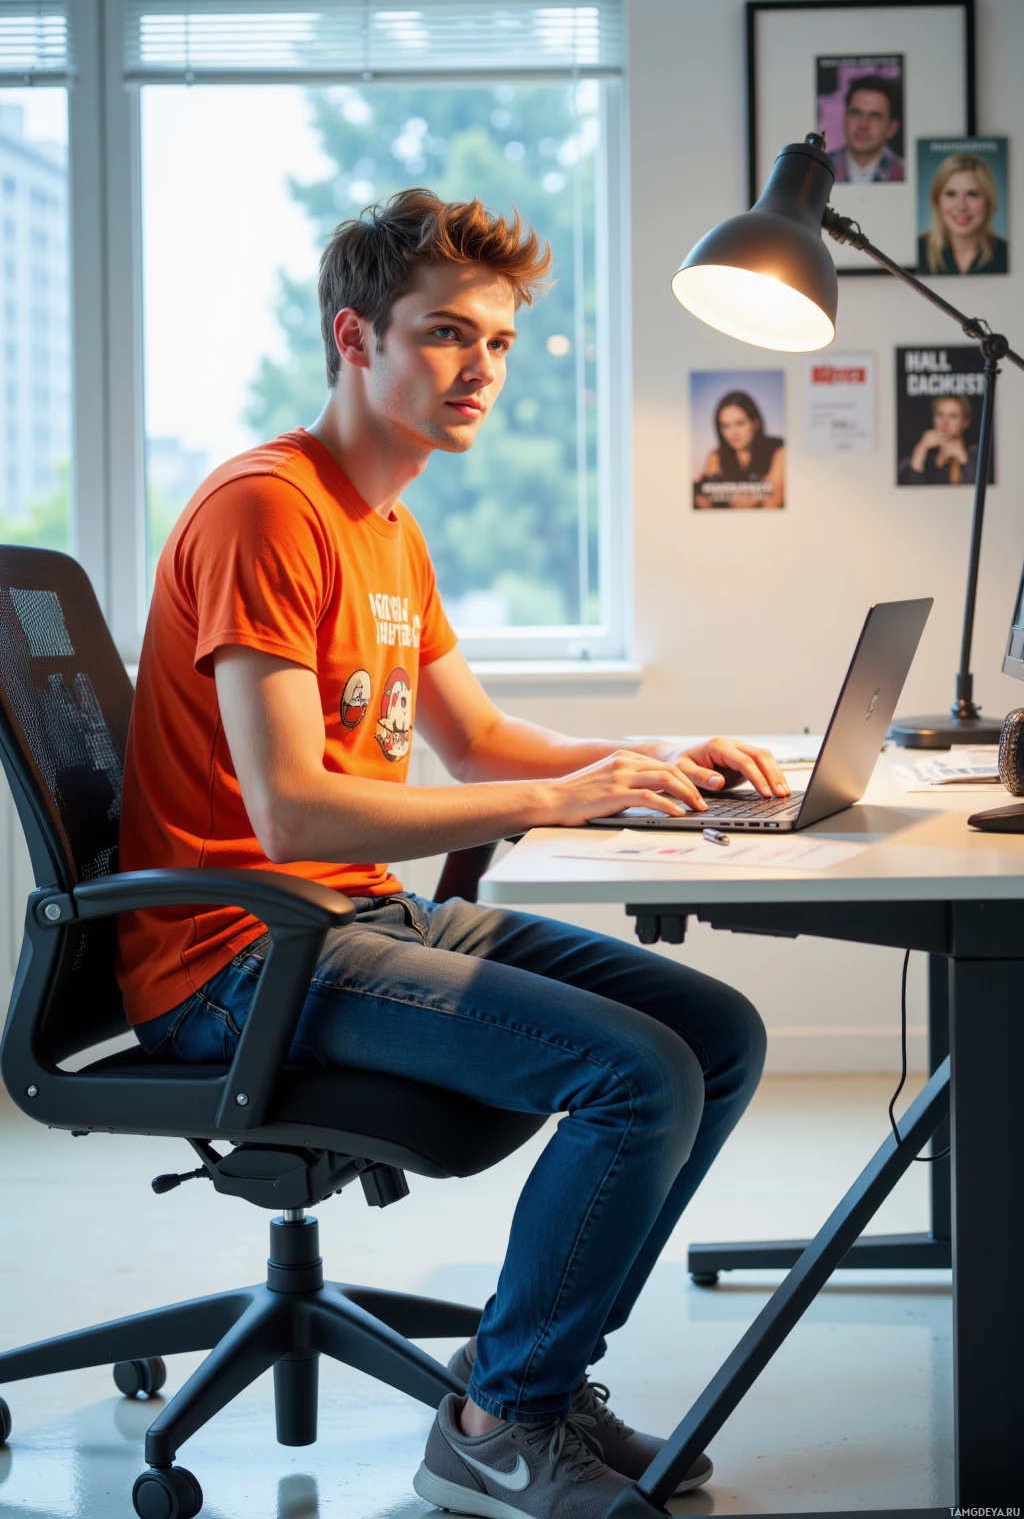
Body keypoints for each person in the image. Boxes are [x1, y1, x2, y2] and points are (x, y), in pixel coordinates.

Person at [118, 188, 784, 1518]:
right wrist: (560, 804)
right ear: (356, 339)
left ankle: (530, 1374)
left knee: (715, 1033)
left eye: (498, 340)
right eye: (443, 335)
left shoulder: (387, 527)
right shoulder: (269, 508)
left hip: (344, 923)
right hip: (235, 956)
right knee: (636, 1075)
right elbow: (294, 814)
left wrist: (649, 761)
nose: (479, 367)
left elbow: (474, 742)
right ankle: (500, 1422)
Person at [917, 152, 1008, 275]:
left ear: (988, 201)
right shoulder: (917, 250)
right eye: (951, 194)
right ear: (936, 200)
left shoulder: (1009, 253)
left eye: (972, 194)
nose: (961, 206)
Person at [695, 389, 785, 508]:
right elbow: (703, 500)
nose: (733, 433)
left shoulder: (779, 451)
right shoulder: (716, 456)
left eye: (740, 423)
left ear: (755, 423)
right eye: (726, 426)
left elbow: (772, 503)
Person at [829, 74, 904, 183]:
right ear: (845, 118)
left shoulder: (904, 173)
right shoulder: (819, 169)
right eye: (856, 113)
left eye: (875, 116)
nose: (863, 125)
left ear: (892, 128)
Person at [899, 393, 977, 485]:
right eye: (940, 415)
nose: (945, 422)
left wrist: (963, 458)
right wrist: (921, 448)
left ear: (965, 422)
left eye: (953, 416)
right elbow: (906, 491)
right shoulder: (922, 454)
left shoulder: (976, 455)